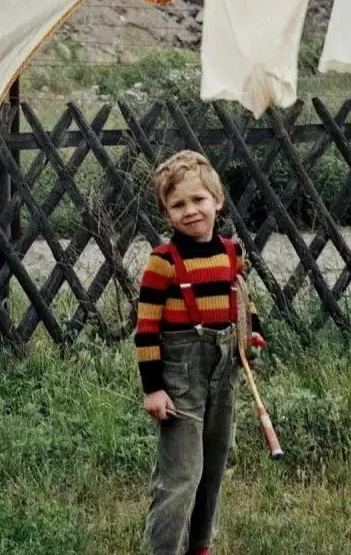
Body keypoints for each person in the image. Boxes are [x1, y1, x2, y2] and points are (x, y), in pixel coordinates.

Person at [135, 149, 267, 555]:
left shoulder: (232, 252)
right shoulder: (163, 263)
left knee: (213, 465)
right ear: (166, 212)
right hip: (180, 378)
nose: (190, 211)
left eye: (198, 200)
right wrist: (153, 388)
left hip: (224, 369)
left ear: (217, 201)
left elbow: (244, 300)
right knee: (182, 474)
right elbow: (146, 330)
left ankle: (201, 546)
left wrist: (253, 334)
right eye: (178, 205)